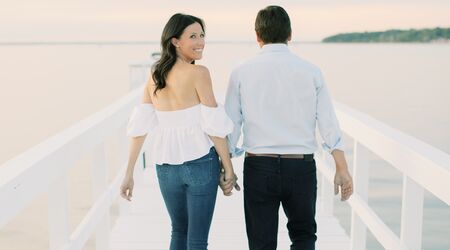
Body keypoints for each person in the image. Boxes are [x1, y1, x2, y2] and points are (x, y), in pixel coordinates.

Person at [221, 5, 354, 250]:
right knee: (303, 237)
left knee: (261, 243)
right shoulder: (312, 71)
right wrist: (342, 167)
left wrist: (226, 166)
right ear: (290, 34)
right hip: (300, 167)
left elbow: (230, 125)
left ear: (257, 36)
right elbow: (328, 123)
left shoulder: (241, 72)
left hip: (259, 166)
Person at [120, 13, 239, 250]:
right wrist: (229, 167)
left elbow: (139, 127)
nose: (200, 42)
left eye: (202, 35)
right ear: (175, 41)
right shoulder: (199, 73)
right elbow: (213, 126)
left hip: (166, 167)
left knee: (178, 231)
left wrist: (129, 172)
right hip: (200, 163)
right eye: (193, 36)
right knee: (196, 239)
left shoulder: (155, 75)